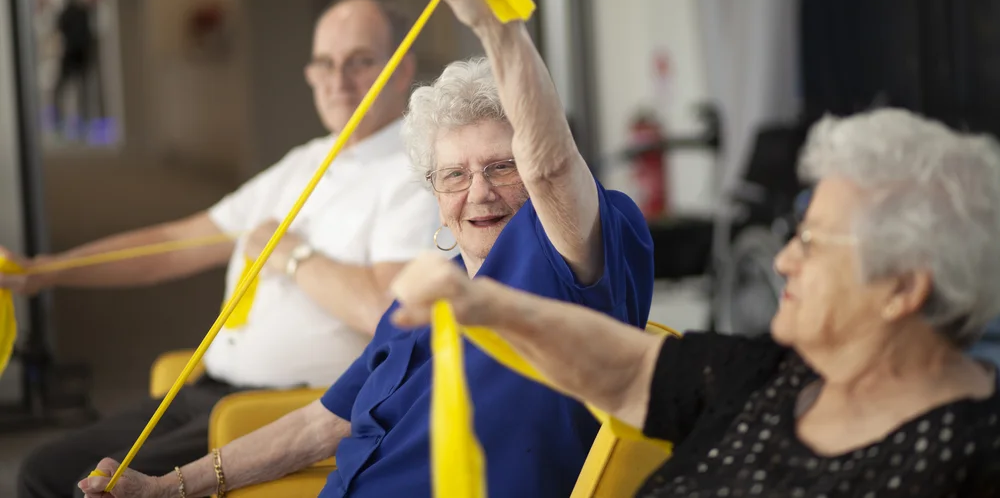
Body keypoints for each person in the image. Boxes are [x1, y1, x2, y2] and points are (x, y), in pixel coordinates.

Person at [79, 0, 654, 498]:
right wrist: (167, 488)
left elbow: (553, 168)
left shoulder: (568, 263)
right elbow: (314, 427)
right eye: (453, 175)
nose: (478, 192)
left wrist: (497, 29)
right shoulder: (422, 303)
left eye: (502, 167)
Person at [389, 107, 1000, 496]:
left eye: (811, 244)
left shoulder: (969, 455)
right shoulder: (768, 377)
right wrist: (484, 306)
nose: (783, 260)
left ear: (903, 289)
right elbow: (626, 368)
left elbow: (553, 174)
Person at [6, 0, 441, 498]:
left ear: (402, 67)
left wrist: (293, 257)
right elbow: (177, 242)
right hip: (207, 391)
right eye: (325, 62)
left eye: (360, 61)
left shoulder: (415, 171)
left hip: (279, 410)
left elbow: (387, 313)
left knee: (68, 483)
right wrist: (46, 270)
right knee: (43, 468)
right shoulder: (308, 160)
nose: (338, 79)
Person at [53, 0, 96, 135]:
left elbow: (60, 32)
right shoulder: (82, 11)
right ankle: (80, 121)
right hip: (78, 55)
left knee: (65, 89)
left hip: (73, 54)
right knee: (79, 89)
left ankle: (62, 123)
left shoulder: (69, 12)